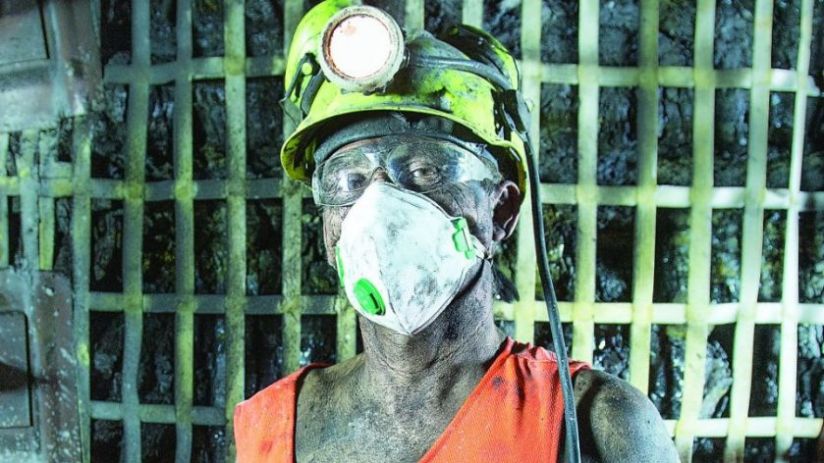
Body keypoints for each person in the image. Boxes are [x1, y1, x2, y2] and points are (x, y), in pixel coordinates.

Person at [234, 1, 679, 461]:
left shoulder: (598, 425)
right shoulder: (271, 427)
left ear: (501, 211)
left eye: (424, 171)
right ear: (328, 229)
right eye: (349, 180)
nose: (378, 205)